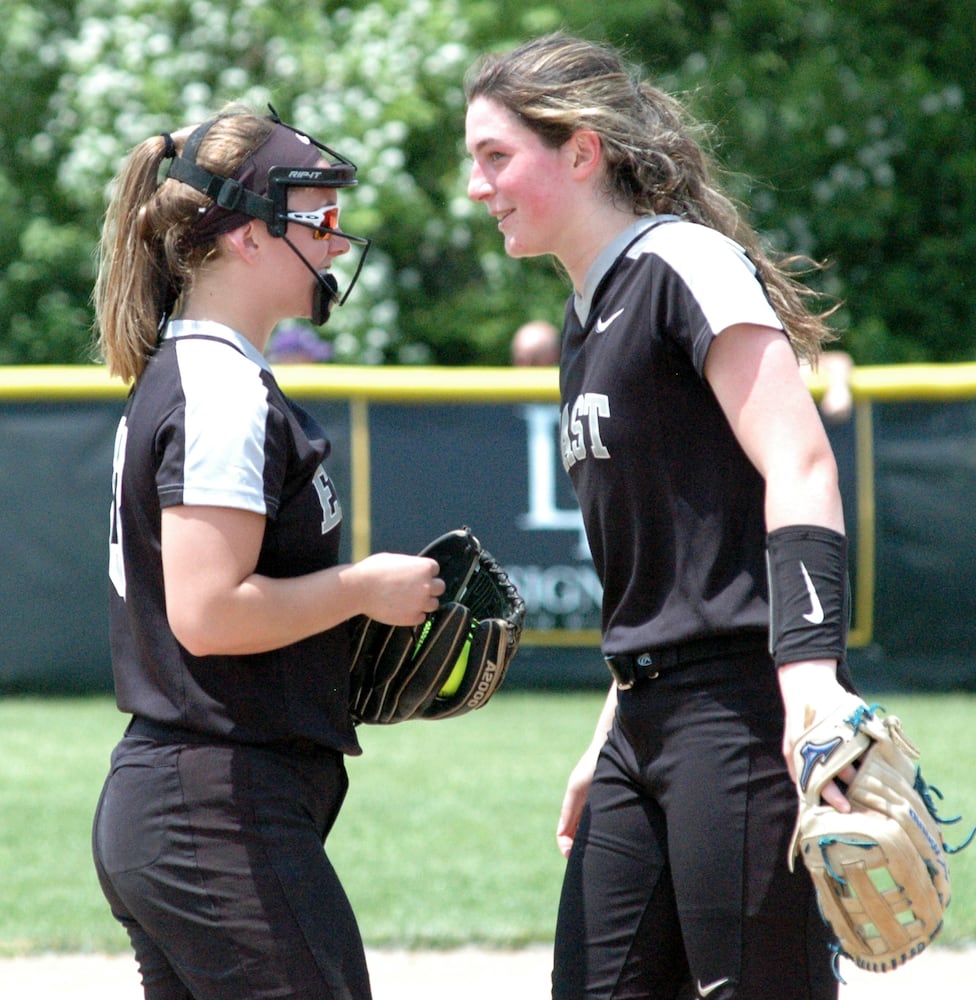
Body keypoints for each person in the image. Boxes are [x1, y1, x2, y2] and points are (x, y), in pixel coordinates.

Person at [465, 34, 856, 1000]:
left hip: (738, 710)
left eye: (495, 156)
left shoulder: (684, 264)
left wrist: (810, 684)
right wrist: (611, 730)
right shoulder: (584, 313)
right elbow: (667, 568)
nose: (477, 186)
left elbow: (800, 460)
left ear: (582, 150)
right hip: (645, 717)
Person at [91, 104, 446, 1000]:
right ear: (248, 237)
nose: (335, 242)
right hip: (211, 808)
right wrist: (361, 588)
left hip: (191, 801)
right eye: (317, 219)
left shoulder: (203, 374)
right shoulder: (219, 390)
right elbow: (209, 614)